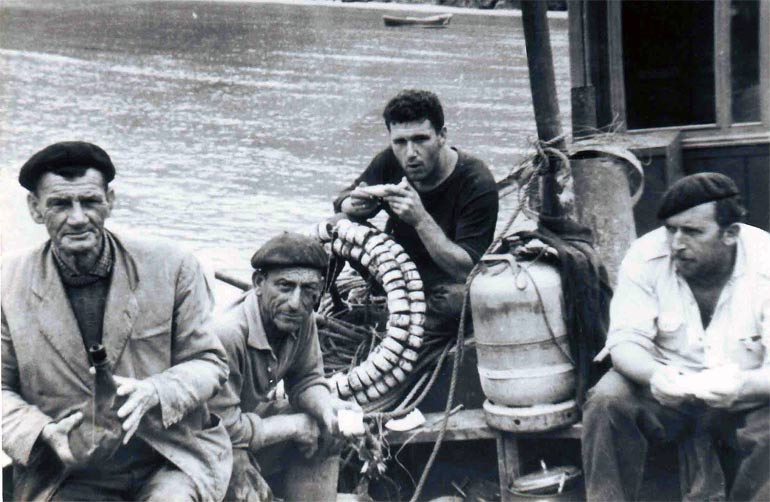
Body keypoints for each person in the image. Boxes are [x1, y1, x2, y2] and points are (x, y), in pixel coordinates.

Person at [1, 141, 233, 501]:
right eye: (60, 204)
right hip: (67, 470)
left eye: (90, 202)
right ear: (34, 208)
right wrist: (44, 431)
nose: (77, 218)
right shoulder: (7, 284)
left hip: (169, 456)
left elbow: (210, 362)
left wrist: (156, 391)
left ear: (110, 200)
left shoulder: (172, 266)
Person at [582, 172, 770, 501]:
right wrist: (658, 376)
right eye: (671, 229)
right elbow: (625, 343)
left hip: (746, 392)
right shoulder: (645, 255)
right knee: (607, 399)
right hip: (667, 388)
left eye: (692, 232)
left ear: (730, 233)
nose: (676, 244)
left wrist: (742, 386)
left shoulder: (766, 263)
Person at [209, 232, 360, 502]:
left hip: (243, 428)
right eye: (285, 286)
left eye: (308, 290)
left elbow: (306, 380)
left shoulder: (302, 318)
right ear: (258, 283)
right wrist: (292, 426)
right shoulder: (228, 333)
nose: (295, 302)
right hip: (204, 441)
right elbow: (220, 428)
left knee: (327, 432)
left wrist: (328, 408)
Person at [333, 89, 499, 333]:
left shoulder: (476, 181)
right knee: (338, 224)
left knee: (461, 300)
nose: (410, 154)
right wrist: (354, 204)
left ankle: (387, 323)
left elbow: (468, 271)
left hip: (442, 286)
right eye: (400, 142)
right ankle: (319, 306)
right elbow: (341, 202)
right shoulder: (390, 161)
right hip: (393, 276)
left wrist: (420, 219)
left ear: (442, 136)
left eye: (421, 139)